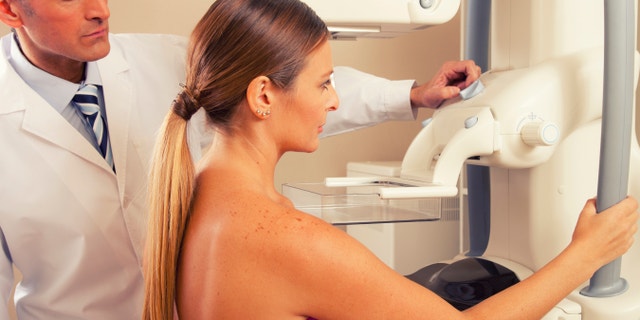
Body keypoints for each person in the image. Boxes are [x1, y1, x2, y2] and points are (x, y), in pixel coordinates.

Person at [142, 0, 639, 319]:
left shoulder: (194, 198)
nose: (334, 101)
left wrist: (416, 95)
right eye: (324, 84)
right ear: (263, 97)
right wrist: (585, 256)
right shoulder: (286, 237)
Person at [0, 0, 481, 318]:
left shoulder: (161, 60)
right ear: (10, 10)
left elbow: (289, 82)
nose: (99, 9)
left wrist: (412, 95)